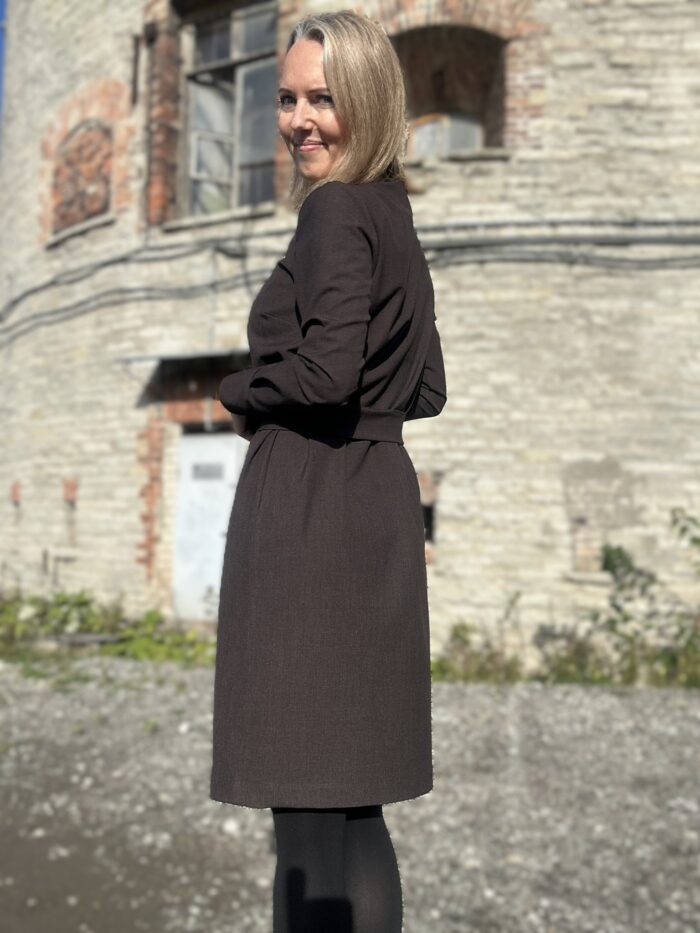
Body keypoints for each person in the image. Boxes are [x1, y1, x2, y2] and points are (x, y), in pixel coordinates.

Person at [209, 10, 447, 932]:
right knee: (355, 810)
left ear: (371, 104)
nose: (299, 119)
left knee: (304, 824)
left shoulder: (337, 208)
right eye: (288, 98)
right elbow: (423, 387)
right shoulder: (394, 213)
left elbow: (327, 372)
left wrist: (240, 388)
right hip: (376, 508)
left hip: (310, 519)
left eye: (324, 100)